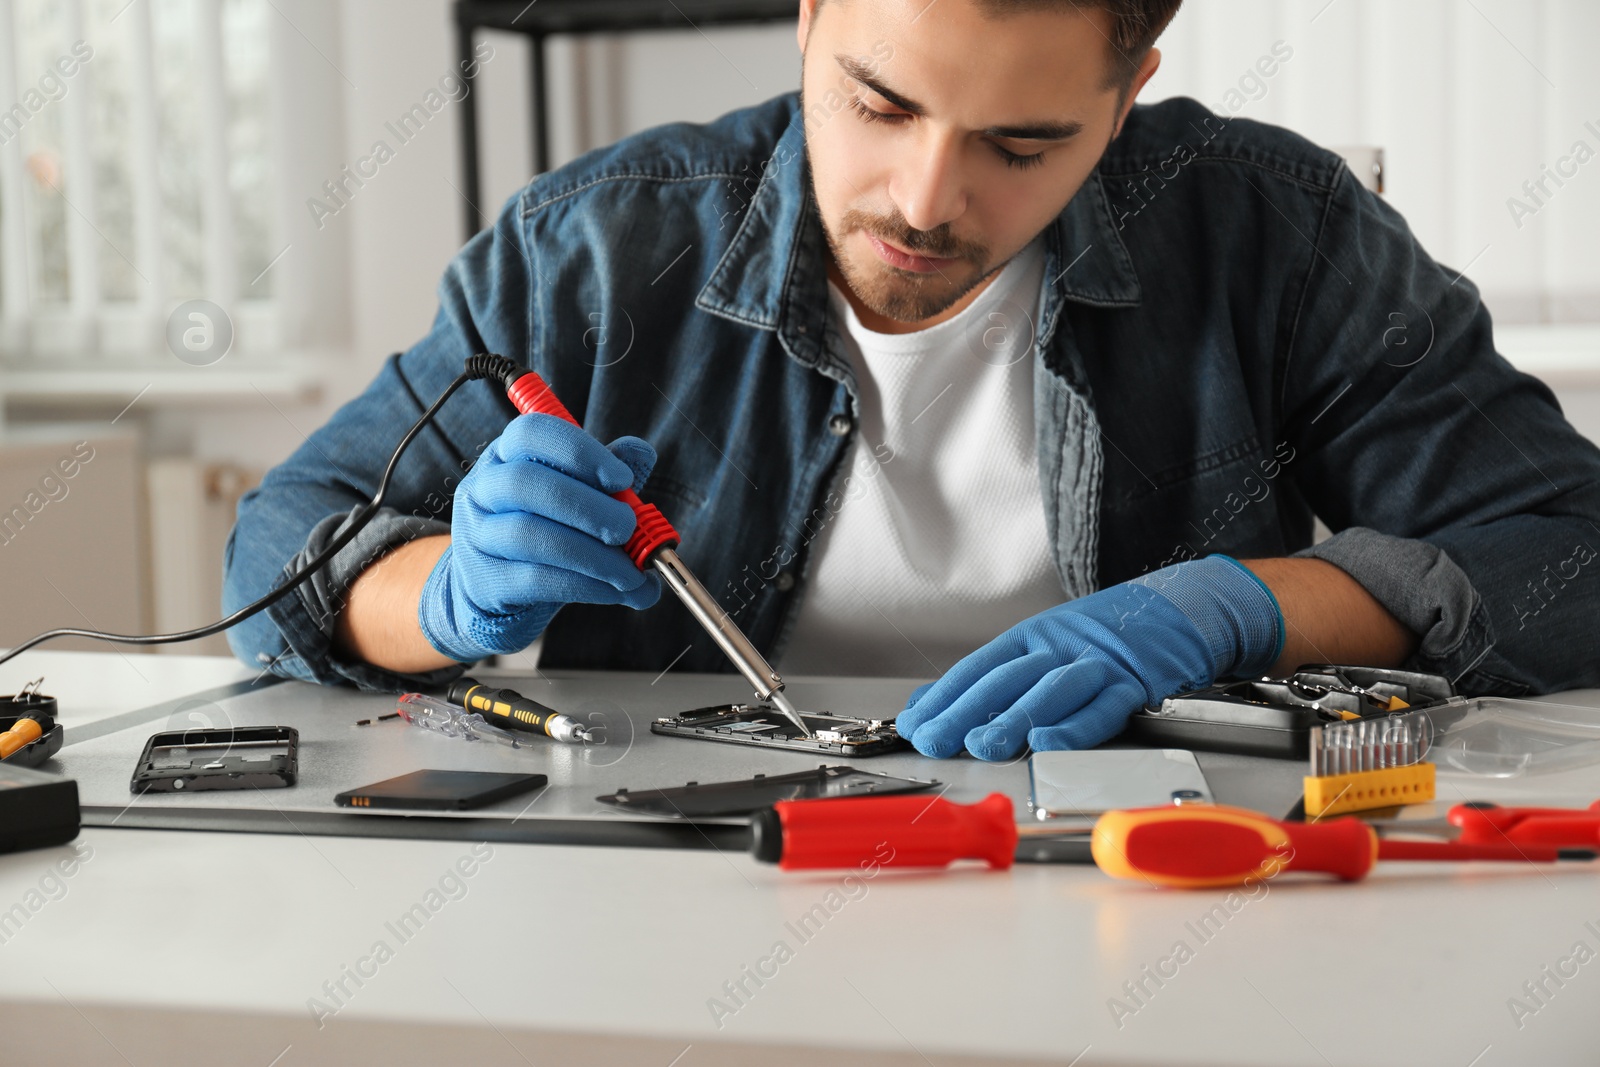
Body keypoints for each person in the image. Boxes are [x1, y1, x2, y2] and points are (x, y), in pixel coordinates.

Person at [223, 0, 1600, 762]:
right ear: (811, 17)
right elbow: (279, 554)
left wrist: (1245, 609)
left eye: (1022, 142)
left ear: (1127, 99)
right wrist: (446, 593)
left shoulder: (1275, 234)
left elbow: (1567, 556)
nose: (924, 202)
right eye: (880, 106)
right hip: (693, 889)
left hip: (1144, 880)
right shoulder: (596, 244)